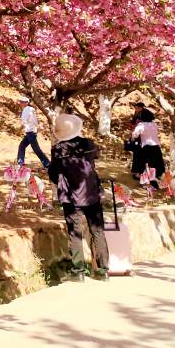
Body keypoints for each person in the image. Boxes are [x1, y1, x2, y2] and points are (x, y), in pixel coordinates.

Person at [47, 113, 109, 280]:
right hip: (92, 192)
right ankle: (103, 271)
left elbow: (53, 173)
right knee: (97, 231)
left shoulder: (58, 149)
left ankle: (78, 272)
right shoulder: (89, 144)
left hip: (70, 195)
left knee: (75, 232)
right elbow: (96, 156)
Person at [130, 109, 166, 187]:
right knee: (155, 165)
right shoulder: (154, 124)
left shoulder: (141, 125)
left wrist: (132, 139)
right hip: (156, 147)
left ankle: (145, 182)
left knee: (144, 165)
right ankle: (155, 181)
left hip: (146, 147)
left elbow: (135, 135)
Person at [16, 98, 50, 170]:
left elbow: (24, 123)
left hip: (30, 133)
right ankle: (20, 163)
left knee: (36, 150)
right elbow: (36, 120)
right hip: (32, 132)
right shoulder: (32, 109)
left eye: (22, 102)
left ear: (26, 103)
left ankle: (47, 164)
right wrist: (38, 128)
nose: (20, 103)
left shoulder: (26, 110)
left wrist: (19, 131)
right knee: (22, 146)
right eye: (20, 102)